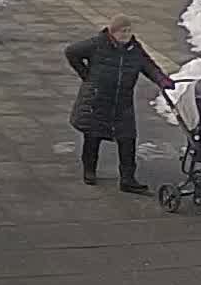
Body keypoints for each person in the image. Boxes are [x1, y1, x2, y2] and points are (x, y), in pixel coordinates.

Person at [65, 16, 174, 193]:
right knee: (93, 137)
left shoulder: (134, 49)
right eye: (123, 31)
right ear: (112, 32)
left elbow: (148, 66)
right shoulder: (97, 44)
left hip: (123, 102)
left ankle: (128, 179)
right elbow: (71, 52)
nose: (126, 34)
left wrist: (162, 80)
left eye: (129, 30)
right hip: (97, 100)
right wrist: (86, 75)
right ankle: (89, 171)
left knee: (127, 139)